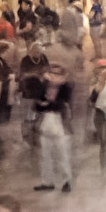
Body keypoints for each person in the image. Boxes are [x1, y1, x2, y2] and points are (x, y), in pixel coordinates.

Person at [32, 62, 75, 193]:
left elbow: (61, 104)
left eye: (56, 74)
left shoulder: (66, 87)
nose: (53, 76)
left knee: (63, 155)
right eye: (51, 73)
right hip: (45, 122)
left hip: (60, 123)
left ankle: (66, 181)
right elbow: (37, 104)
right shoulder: (43, 86)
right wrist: (45, 102)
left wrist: (47, 103)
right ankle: (47, 182)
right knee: (45, 155)